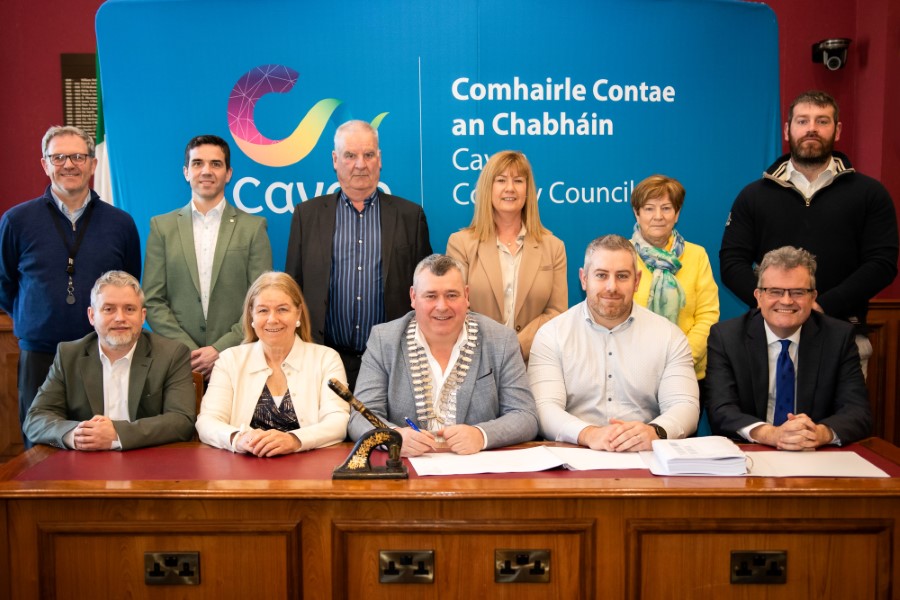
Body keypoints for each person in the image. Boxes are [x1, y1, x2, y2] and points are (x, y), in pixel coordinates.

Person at [720, 90, 899, 375]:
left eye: (822, 121)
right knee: (767, 421)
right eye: (802, 121)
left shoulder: (870, 194)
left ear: (837, 130)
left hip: (844, 337)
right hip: (769, 340)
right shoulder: (753, 195)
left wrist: (821, 305)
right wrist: (776, 303)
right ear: (788, 129)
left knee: (840, 421)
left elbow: (882, 264)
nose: (812, 128)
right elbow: (731, 262)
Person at [0, 126, 141, 447]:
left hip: (101, 352)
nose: (68, 165)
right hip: (40, 353)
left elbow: (130, 282)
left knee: (97, 441)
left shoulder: (120, 223)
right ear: (45, 165)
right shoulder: (16, 221)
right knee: (39, 444)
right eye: (58, 157)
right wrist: (32, 316)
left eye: (78, 157)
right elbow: (5, 283)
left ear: (92, 164)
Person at [285, 120, 432, 390]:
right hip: (323, 359)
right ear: (335, 160)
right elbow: (292, 289)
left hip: (392, 361)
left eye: (368, 155)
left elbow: (425, 293)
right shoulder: (307, 216)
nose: (360, 164)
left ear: (380, 159)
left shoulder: (410, 217)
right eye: (350, 155)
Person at [348, 254, 538, 457]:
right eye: (430, 296)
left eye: (452, 295)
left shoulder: (501, 340)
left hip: (477, 471)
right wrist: (394, 437)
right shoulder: (384, 340)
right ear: (413, 297)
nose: (442, 306)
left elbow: (525, 415)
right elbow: (360, 417)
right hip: (408, 472)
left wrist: (481, 435)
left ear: (466, 296)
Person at [528, 235, 699, 451]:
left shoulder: (669, 336)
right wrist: (589, 434)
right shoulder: (552, 335)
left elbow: (685, 406)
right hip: (575, 455)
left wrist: (654, 431)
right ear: (583, 278)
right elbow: (544, 408)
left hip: (646, 454)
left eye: (622, 276)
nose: (612, 287)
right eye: (601, 275)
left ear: (636, 281)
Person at [706, 247, 871, 449]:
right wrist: (772, 434)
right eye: (775, 291)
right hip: (753, 451)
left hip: (815, 453)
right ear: (758, 296)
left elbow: (857, 411)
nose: (786, 300)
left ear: (813, 297)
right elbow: (721, 410)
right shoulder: (727, 337)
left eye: (798, 292)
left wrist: (820, 433)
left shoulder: (838, 337)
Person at [143, 134, 272, 380]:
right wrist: (189, 351)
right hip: (179, 363)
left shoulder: (253, 228)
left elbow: (261, 302)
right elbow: (153, 300)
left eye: (216, 164)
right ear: (186, 172)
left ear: (228, 173)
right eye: (197, 163)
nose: (206, 171)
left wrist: (219, 349)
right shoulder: (162, 227)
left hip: (237, 360)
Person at [23, 271, 195, 450]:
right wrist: (77, 434)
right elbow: (36, 418)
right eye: (108, 309)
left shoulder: (171, 354)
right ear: (91, 315)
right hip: (84, 465)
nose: (120, 318)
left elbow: (182, 420)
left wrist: (116, 434)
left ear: (142, 316)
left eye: (129, 309)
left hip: (147, 462)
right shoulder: (69, 355)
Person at [196, 272, 349, 456]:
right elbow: (207, 421)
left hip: (309, 473)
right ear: (251, 315)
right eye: (263, 310)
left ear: (298, 312)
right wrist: (238, 438)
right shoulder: (229, 360)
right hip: (241, 475)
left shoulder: (327, 359)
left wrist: (294, 440)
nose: (272, 319)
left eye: (282, 309)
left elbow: (338, 421)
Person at [446, 151, 567, 362]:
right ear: (487, 188)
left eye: (518, 181)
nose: (510, 188)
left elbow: (557, 312)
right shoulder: (460, 244)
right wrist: (495, 349)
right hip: (478, 361)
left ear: (528, 190)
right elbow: (456, 306)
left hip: (535, 362)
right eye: (501, 180)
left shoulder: (553, 247)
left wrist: (516, 347)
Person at [629, 175, 719, 380]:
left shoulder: (697, 255)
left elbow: (708, 315)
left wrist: (681, 359)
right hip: (633, 373)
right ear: (637, 213)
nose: (658, 216)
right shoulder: (622, 255)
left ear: (677, 214)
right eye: (649, 208)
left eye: (666, 208)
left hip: (687, 370)